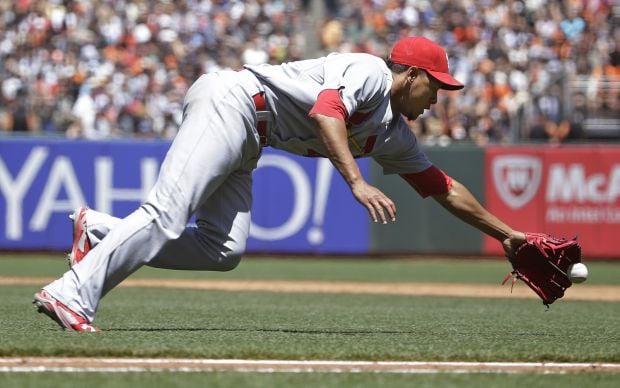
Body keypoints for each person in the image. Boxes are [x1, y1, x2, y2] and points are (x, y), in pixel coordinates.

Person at [34, 36, 526, 332]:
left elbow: (443, 187)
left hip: (250, 136)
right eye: (436, 86)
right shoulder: (371, 73)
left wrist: (506, 235)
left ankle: (96, 230)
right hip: (235, 101)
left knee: (221, 249)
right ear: (412, 73)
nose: (438, 98)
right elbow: (327, 111)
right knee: (166, 214)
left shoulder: (394, 133)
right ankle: (71, 293)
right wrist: (355, 182)